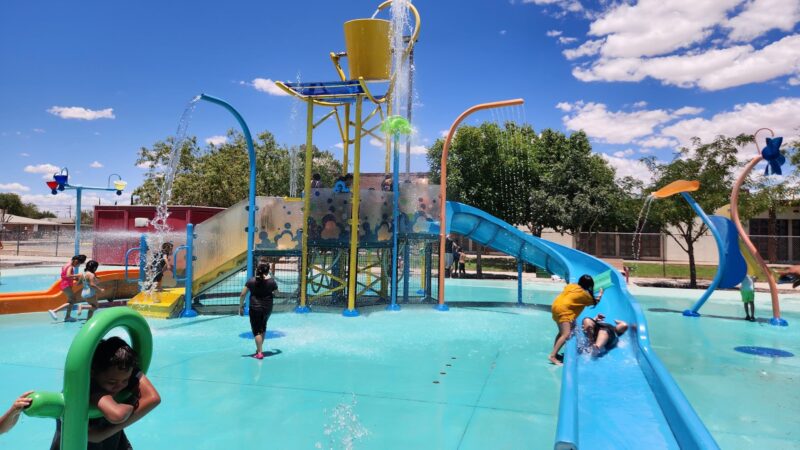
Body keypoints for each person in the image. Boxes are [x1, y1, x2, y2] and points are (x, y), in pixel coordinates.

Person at [49, 336, 160, 449]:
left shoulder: (118, 371)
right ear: (92, 372)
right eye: (112, 382)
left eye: (126, 380)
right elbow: (117, 415)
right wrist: (130, 406)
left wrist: (105, 433)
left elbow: (153, 398)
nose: (119, 386)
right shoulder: (87, 389)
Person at [549, 274, 603, 365]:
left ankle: (555, 352)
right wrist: (601, 293)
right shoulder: (585, 296)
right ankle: (552, 356)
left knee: (561, 333)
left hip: (555, 306)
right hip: (564, 311)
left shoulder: (571, 286)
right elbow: (595, 301)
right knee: (566, 334)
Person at [239, 262, 279, 360]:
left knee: (257, 331)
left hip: (255, 308)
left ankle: (260, 353)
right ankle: (259, 349)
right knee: (263, 327)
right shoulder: (272, 282)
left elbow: (242, 294)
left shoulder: (251, 281)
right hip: (267, 308)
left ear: (257, 270)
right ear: (267, 271)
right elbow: (277, 293)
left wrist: (241, 306)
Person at [48, 255, 87, 322]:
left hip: (64, 284)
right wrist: (78, 275)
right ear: (76, 261)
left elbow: (65, 276)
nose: (78, 265)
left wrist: (75, 278)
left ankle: (67, 317)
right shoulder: (70, 267)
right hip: (66, 285)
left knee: (71, 301)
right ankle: (55, 311)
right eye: (79, 264)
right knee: (72, 300)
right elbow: (68, 275)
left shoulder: (66, 265)